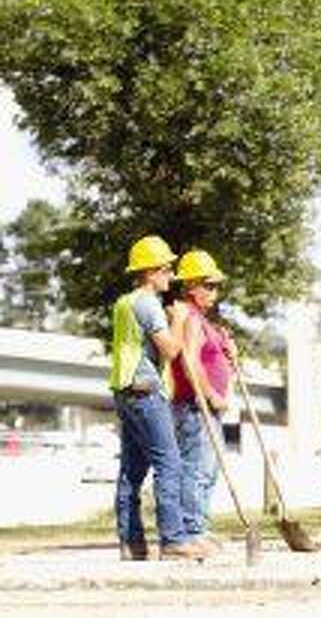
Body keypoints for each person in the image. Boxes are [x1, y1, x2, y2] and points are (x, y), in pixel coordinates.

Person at [109, 235, 210, 561]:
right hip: (146, 393)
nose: (171, 275)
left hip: (125, 391)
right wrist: (179, 321)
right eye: (166, 268)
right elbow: (170, 349)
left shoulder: (124, 303)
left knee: (131, 470)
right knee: (169, 464)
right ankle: (173, 540)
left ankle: (132, 543)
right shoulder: (148, 303)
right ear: (150, 272)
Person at [170, 250, 235, 549]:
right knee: (196, 469)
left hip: (208, 407)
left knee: (210, 469)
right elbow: (189, 362)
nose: (214, 292)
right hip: (196, 405)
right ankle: (191, 530)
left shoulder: (206, 321)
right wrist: (211, 395)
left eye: (215, 286)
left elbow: (217, 359)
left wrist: (228, 352)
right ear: (192, 286)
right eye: (208, 285)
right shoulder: (190, 318)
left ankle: (200, 525)